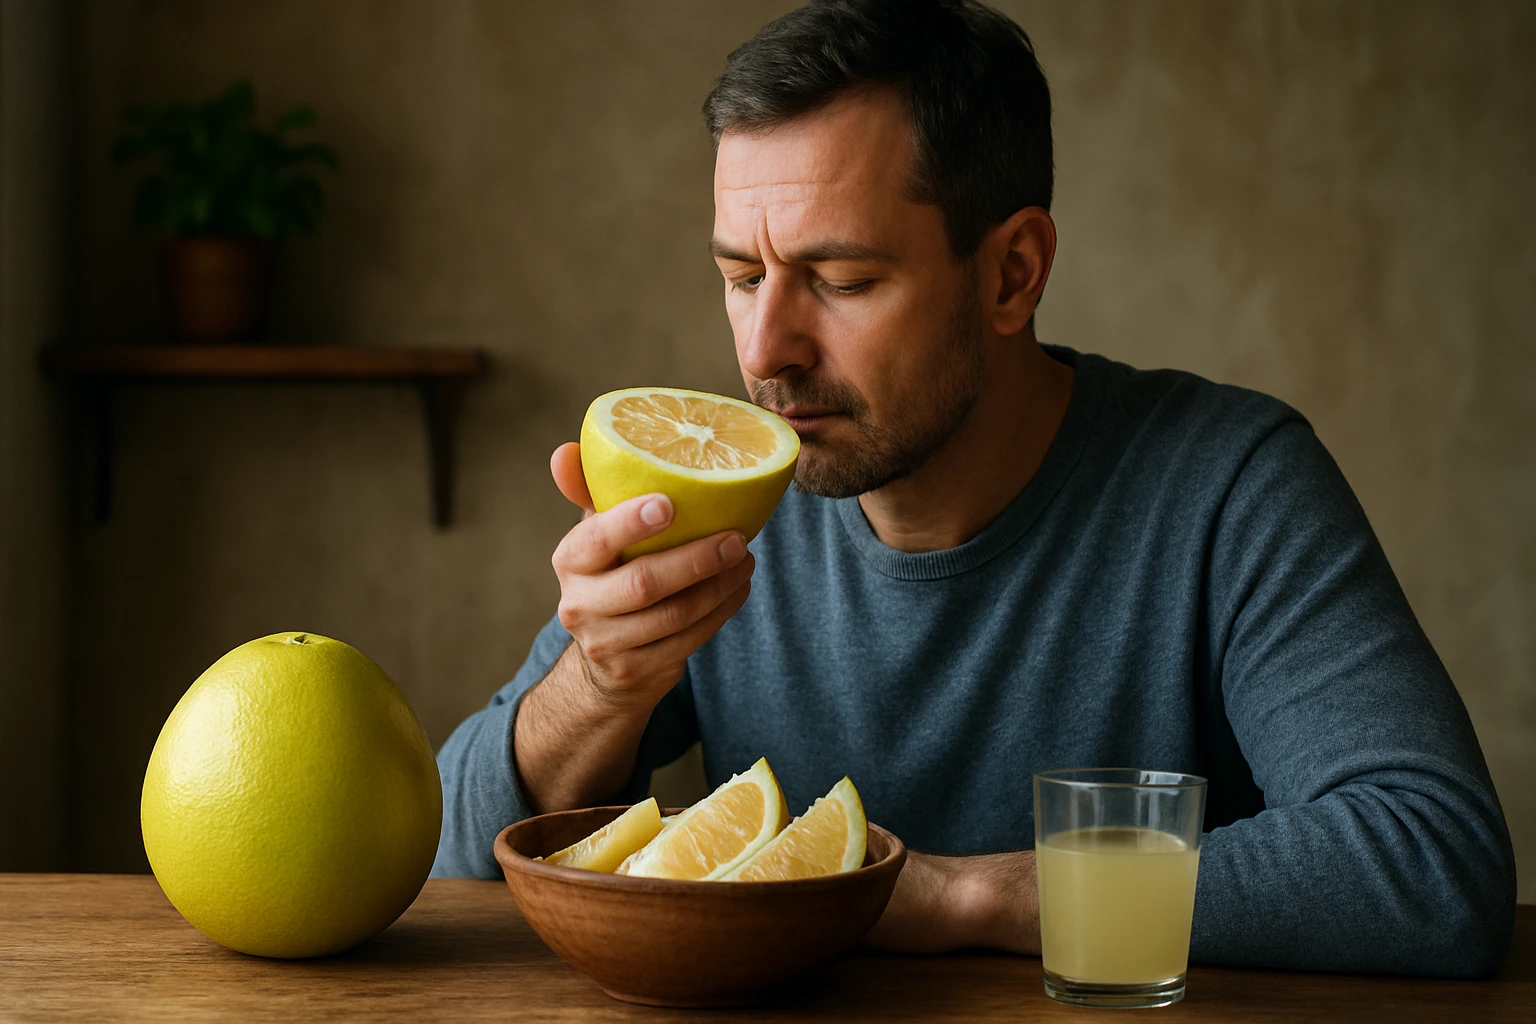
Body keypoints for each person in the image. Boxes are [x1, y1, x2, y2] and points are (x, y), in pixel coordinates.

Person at [432, 0, 1515, 975]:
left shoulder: (1231, 484)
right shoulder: (722, 505)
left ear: (1013, 273)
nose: (767, 350)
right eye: (742, 276)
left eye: (842, 280)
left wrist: (965, 894)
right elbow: (444, 857)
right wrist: (600, 685)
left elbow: (1432, 861)